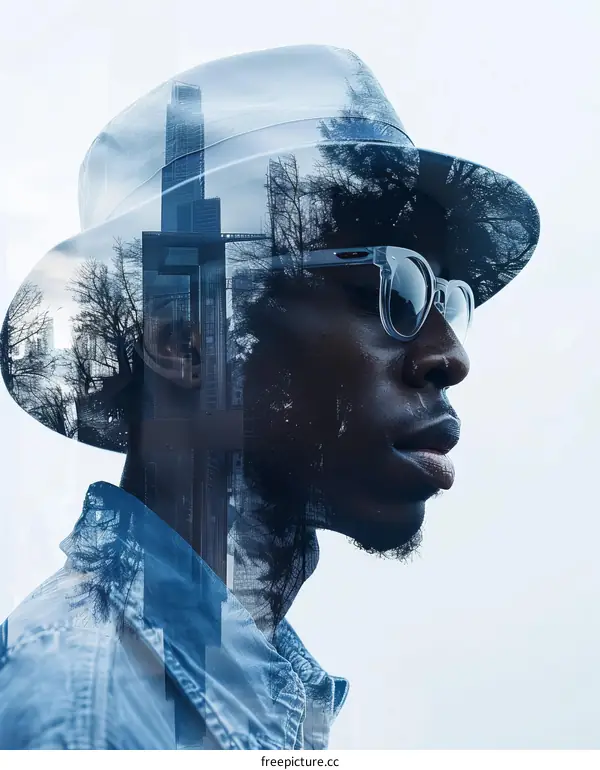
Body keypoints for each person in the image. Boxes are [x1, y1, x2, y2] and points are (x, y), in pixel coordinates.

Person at [0, 45, 540, 750]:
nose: (449, 356)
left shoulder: (240, 692)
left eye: (446, 300)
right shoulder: (87, 713)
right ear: (184, 335)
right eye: (397, 288)